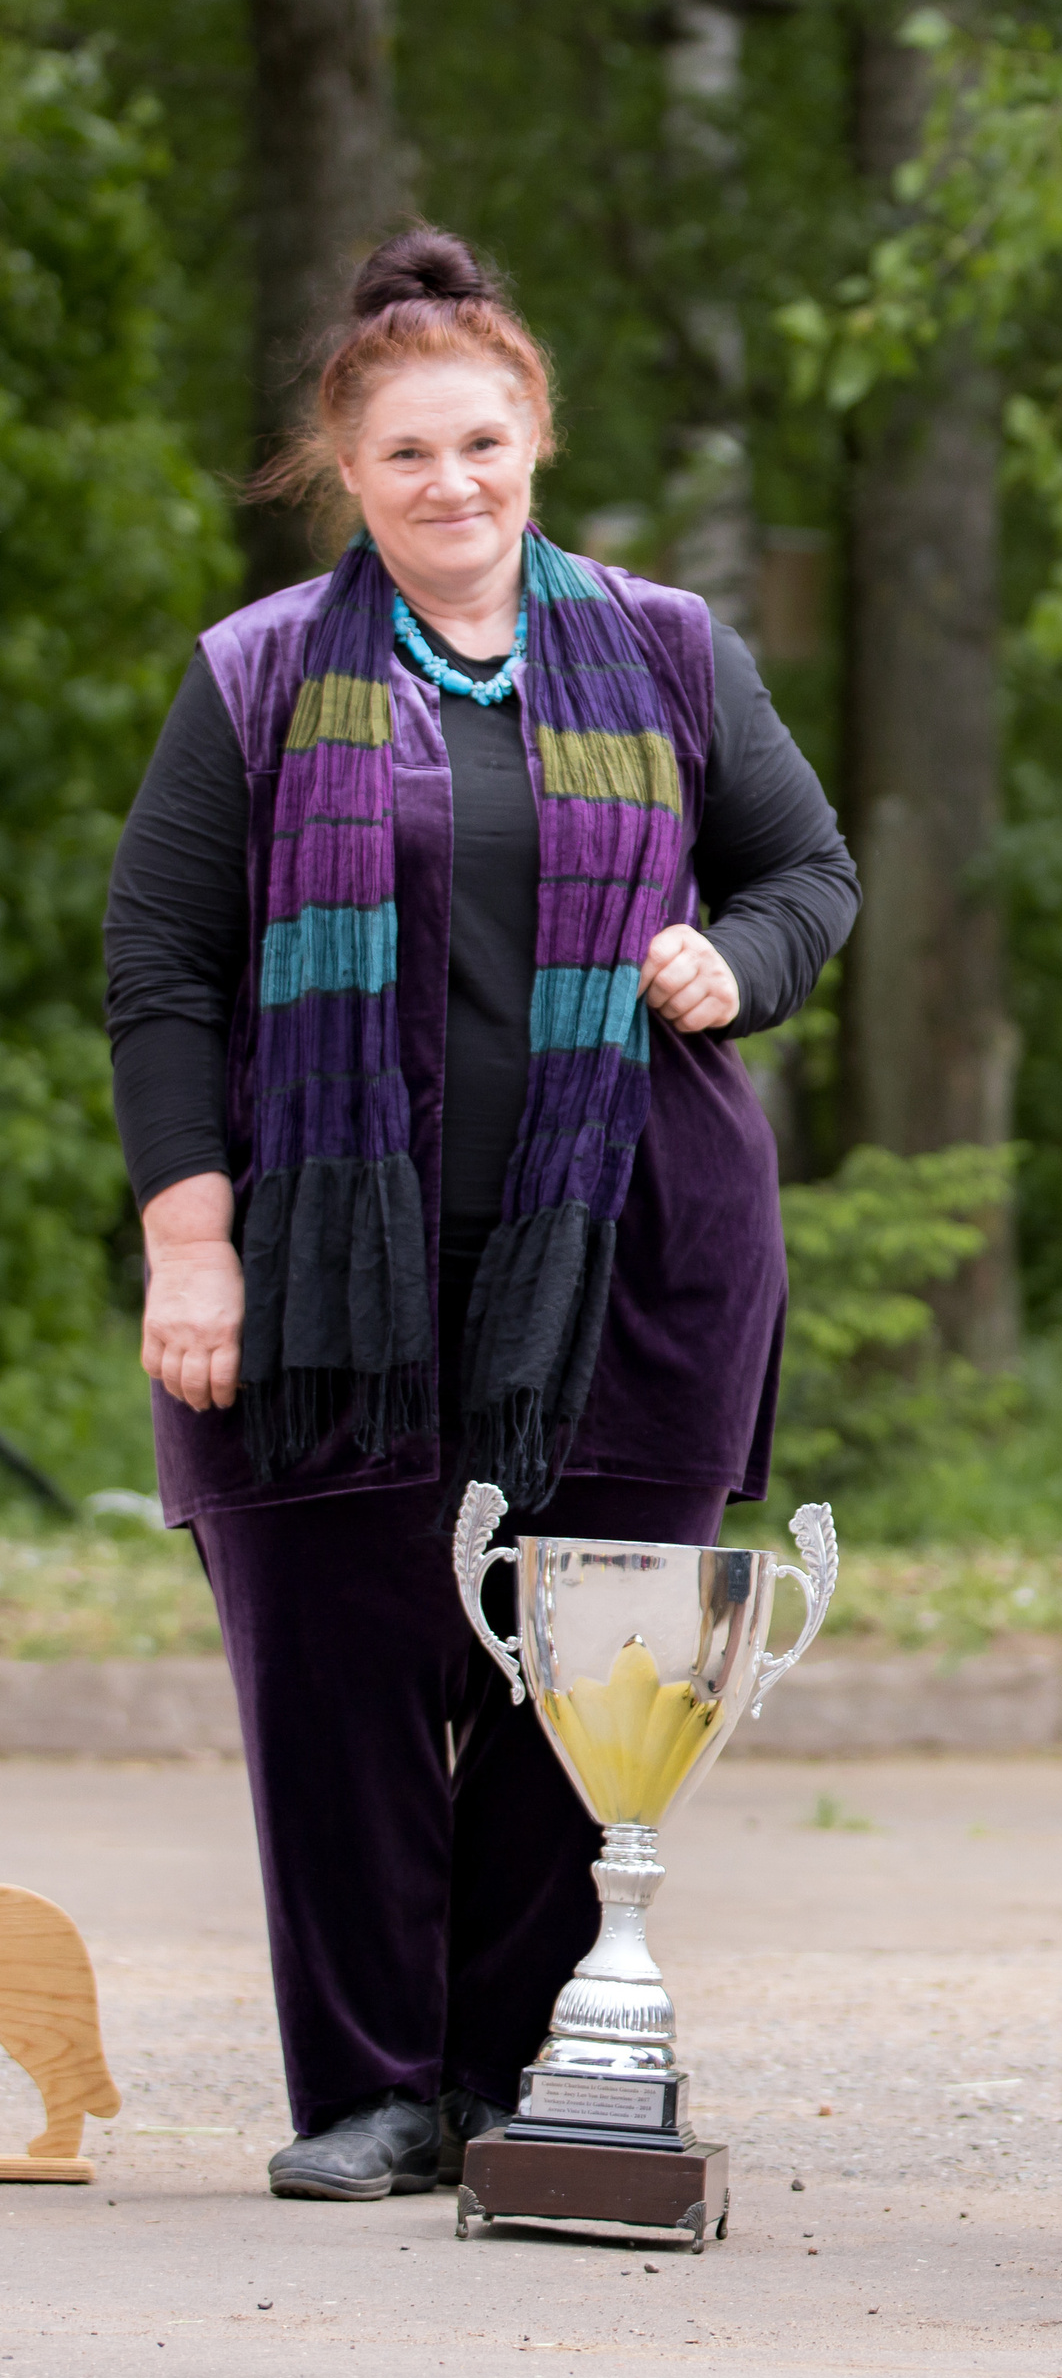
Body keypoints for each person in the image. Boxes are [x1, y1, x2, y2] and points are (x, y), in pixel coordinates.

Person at [104, 229, 859, 2202]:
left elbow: (808, 873)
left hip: (636, 1256)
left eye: (483, 444)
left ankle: (529, 2079)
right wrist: (192, 1243)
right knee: (339, 1669)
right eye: (408, 453)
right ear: (343, 470)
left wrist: (735, 962)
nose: (452, 483)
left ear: (537, 442)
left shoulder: (671, 649)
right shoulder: (260, 675)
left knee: (582, 1676)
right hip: (328, 1273)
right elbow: (161, 970)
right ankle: (371, 2088)